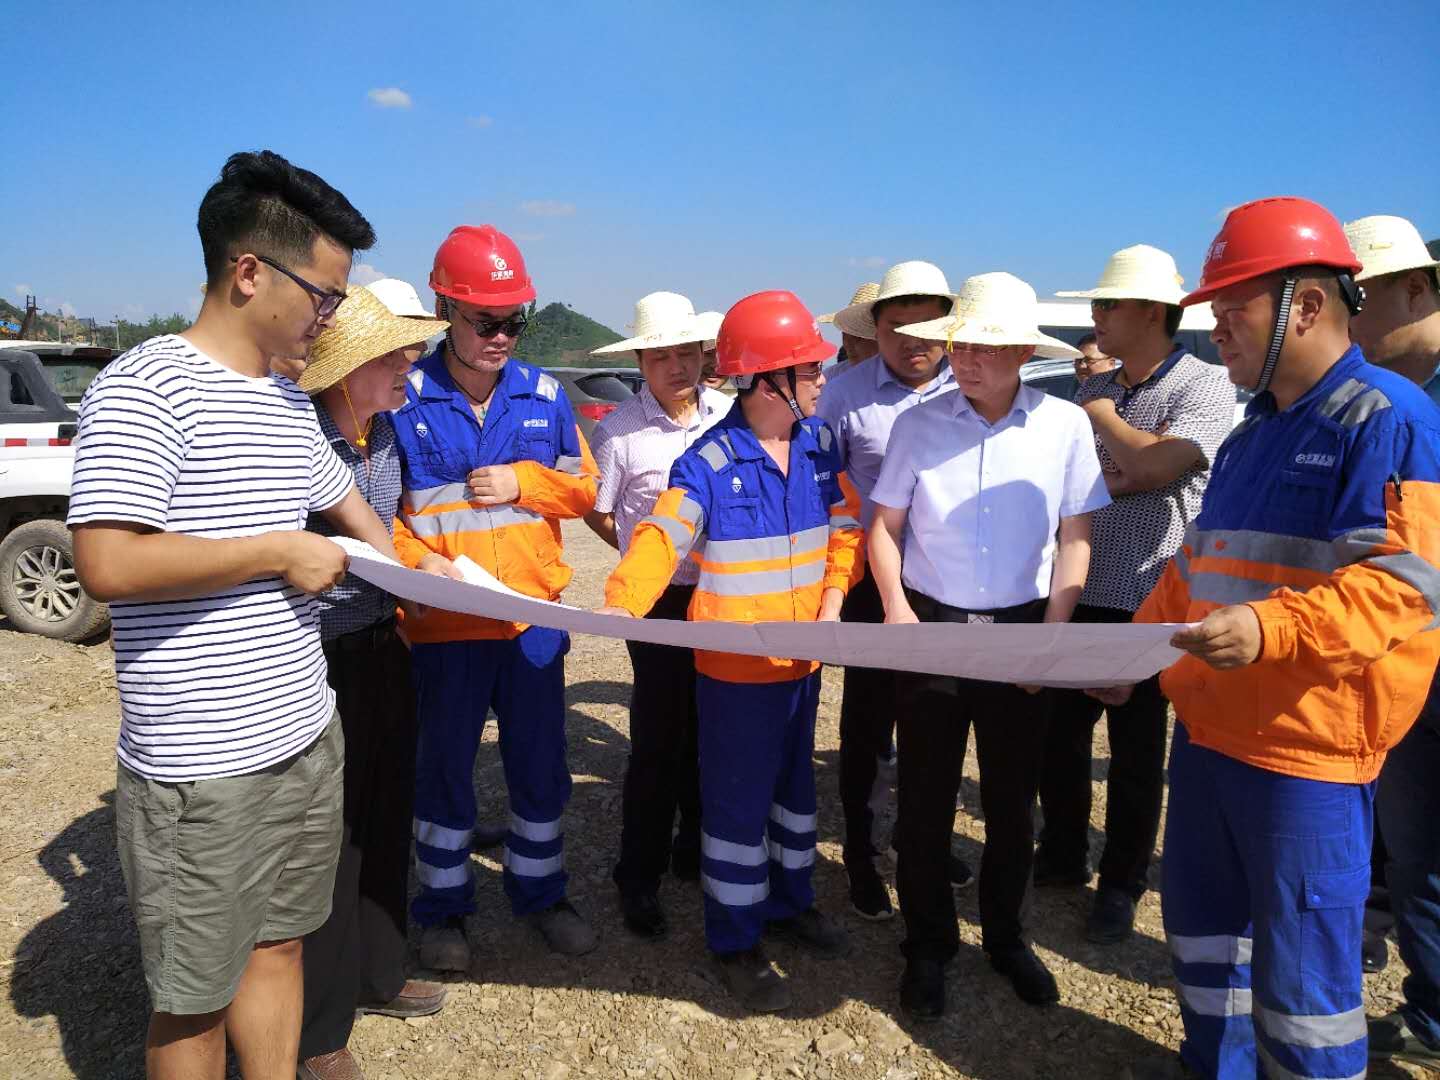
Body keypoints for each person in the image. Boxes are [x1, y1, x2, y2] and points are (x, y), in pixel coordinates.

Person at [67, 150, 405, 1080]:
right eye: (325, 297)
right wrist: (271, 552)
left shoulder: (284, 401)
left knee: (282, 947)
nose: (329, 319)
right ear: (249, 271)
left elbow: (348, 506)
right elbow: (104, 562)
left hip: (302, 730)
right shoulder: (146, 387)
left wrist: (425, 570)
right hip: (203, 768)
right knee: (191, 1004)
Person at [1107, 198, 1440, 1080]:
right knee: (1206, 943)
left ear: (1306, 303)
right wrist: (1129, 655)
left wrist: (1265, 628)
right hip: (1212, 741)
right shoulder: (1252, 438)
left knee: (1303, 990)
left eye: (1233, 307)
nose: (1216, 327)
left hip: (1307, 760)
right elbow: (1199, 567)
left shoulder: (1389, 420)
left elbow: (1406, 589)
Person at [598, 290, 862, 1012]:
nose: (822, 379)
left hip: (801, 663)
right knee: (738, 808)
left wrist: (834, 601)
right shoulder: (708, 460)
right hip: (735, 673)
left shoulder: (817, 445)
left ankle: (792, 903)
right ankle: (735, 940)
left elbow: (845, 530)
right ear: (770, 377)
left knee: (795, 795)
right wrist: (620, 601)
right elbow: (665, 534)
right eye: (811, 368)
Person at [867, 272, 1109, 1017]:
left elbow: (1076, 539)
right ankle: (928, 943)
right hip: (932, 627)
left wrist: (1051, 640)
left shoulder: (1063, 427)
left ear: (1022, 352)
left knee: (1011, 800)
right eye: (959, 345)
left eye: (983, 348)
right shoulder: (919, 425)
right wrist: (898, 613)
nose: (965, 360)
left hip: (1020, 630)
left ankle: (1006, 936)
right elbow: (885, 526)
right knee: (927, 799)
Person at [390, 225, 601, 971]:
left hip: (532, 623)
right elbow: (385, 516)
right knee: (444, 764)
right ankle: (443, 906)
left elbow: (584, 490)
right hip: (446, 624)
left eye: (516, 320)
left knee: (541, 761)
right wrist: (424, 569)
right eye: (487, 320)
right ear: (445, 306)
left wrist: (525, 482)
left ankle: (541, 892)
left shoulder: (544, 394)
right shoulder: (403, 397)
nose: (503, 336)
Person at [1040, 245, 1233, 944]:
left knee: (1135, 753)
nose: (1096, 317)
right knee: (1058, 739)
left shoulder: (1201, 386)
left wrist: (1102, 418)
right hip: (1082, 584)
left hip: (1154, 592)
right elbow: (1087, 487)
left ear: (1152, 312)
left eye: (1108, 305)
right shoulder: (1106, 389)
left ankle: (1121, 881)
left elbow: (1156, 465)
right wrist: (1126, 449)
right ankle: (1063, 852)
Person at [293, 285, 451, 1080]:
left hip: (384, 642)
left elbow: (401, 534)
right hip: (317, 661)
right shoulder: (300, 437)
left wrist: (440, 571)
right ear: (349, 362)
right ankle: (319, 1031)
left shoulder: (385, 433)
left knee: (389, 811)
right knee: (331, 838)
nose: (410, 365)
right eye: (395, 352)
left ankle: (380, 972)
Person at [815, 260, 962, 921]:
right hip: (874, 583)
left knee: (936, 721)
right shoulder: (842, 395)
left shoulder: (975, 386)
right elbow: (819, 485)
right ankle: (860, 852)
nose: (914, 341)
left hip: (953, 583)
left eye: (929, 325)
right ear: (876, 328)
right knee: (868, 724)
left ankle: (918, 838)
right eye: (898, 327)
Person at [584, 291, 730, 938]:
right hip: (661, 597)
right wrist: (634, 557)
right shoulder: (618, 431)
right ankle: (636, 876)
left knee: (712, 729)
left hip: (728, 592)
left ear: (703, 354)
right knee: (657, 738)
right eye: (659, 355)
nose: (675, 366)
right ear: (640, 359)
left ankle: (694, 849)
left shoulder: (731, 416)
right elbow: (602, 508)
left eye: (685, 352)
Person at [1343, 212, 1440, 1069]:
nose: (1348, 318)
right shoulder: (1369, 407)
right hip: (1407, 670)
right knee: (1421, 860)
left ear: (1417, 290)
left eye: (1359, 298)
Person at [820, 281, 881, 370]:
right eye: (844, 334)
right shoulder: (830, 378)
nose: (848, 344)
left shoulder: (904, 379)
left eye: (858, 336)